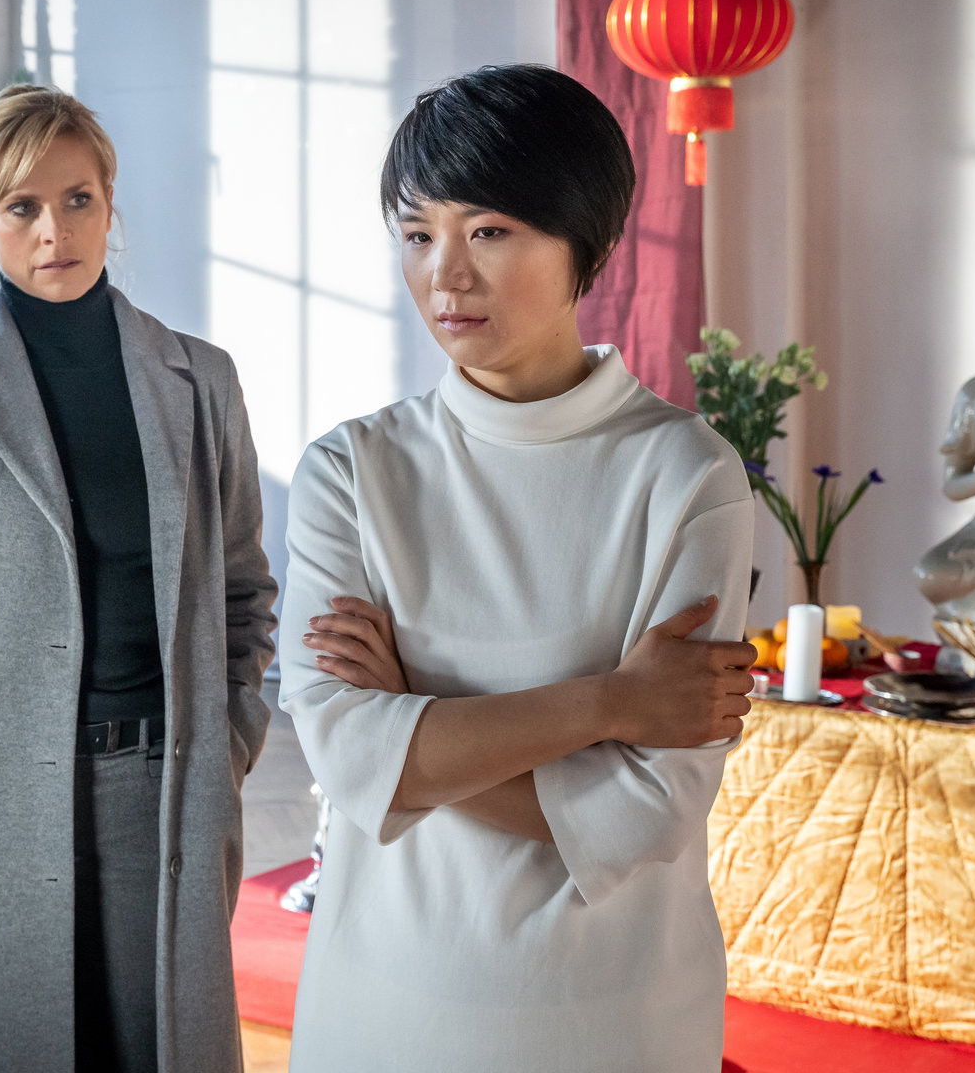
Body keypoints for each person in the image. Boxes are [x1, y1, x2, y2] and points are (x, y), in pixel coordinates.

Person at [279, 65, 758, 1071]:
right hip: (383, 1010)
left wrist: (411, 721)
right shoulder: (351, 473)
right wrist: (613, 704)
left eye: (489, 231)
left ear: (589, 242)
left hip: (612, 1021)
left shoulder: (686, 475)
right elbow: (347, 758)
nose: (446, 275)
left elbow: (649, 809)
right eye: (419, 235)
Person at [0, 84, 277, 1073]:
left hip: (162, 800)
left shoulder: (201, 381)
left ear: (110, 203)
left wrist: (228, 740)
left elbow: (244, 591)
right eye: (23, 206)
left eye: (77, 200)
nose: (53, 232)